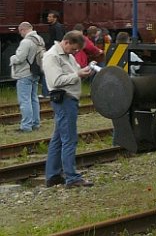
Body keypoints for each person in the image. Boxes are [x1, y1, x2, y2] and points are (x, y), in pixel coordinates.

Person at [42, 30, 94, 188]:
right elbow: (56, 80)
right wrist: (78, 74)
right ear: (66, 42)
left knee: (58, 139)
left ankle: (52, 175)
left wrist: (84, 70)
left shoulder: (67, 55)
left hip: (69, 99)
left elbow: (75, 70)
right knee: (69, 139)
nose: (75, 52)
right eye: (74, 49)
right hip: (64, 99)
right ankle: (72, 177)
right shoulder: (52, 57)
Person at [9, 21, 44, 132]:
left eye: (20, 32)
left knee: (25, 100)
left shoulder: (26, 42)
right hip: (36, 72)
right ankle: (36, 123)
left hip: (25, 73)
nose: (20, 34)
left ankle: (26, 126)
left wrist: (12, 58)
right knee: (34, 99)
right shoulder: (39, 39)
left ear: (23, 29)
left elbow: (20, 58)